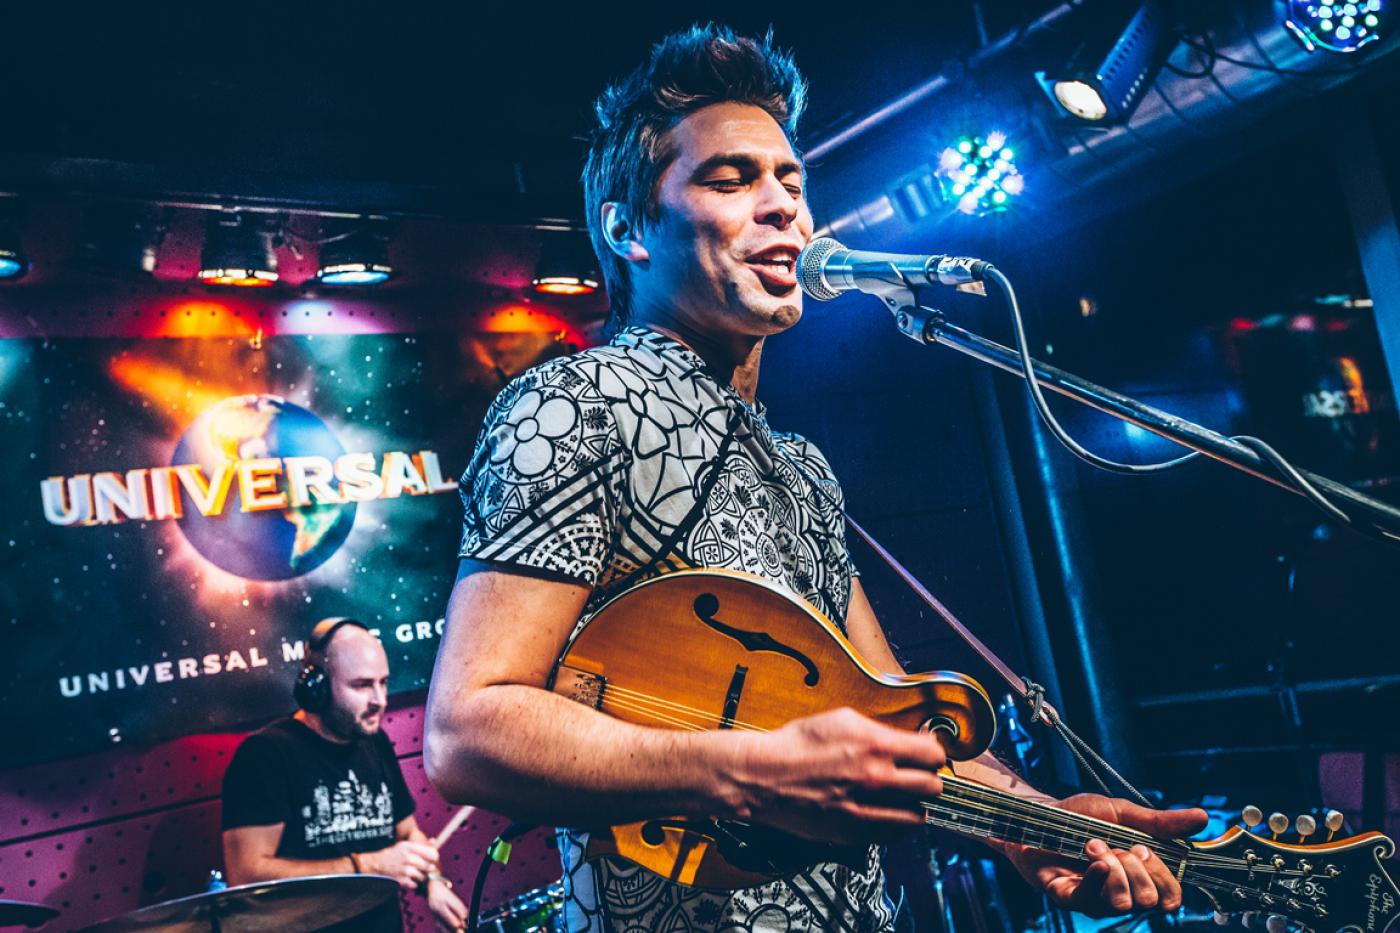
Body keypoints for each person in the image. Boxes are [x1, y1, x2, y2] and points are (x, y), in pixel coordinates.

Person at [424, 25, 1207, 933]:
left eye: (791, 184)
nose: (784, 209)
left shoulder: (799, 466)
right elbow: (467, 729)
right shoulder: (573, 405)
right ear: (627, 229)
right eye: (731, 180)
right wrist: (749, 772)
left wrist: (1030, 820)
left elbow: (890, 713)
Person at [222, 617, 468, 933]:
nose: (380, 700)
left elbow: (409, 834)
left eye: (383, 682)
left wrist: (433, 882)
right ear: (316, 687)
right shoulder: (265, 755)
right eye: (362, 685)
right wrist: (369, 866)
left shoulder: (374, 742)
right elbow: (246, 877)